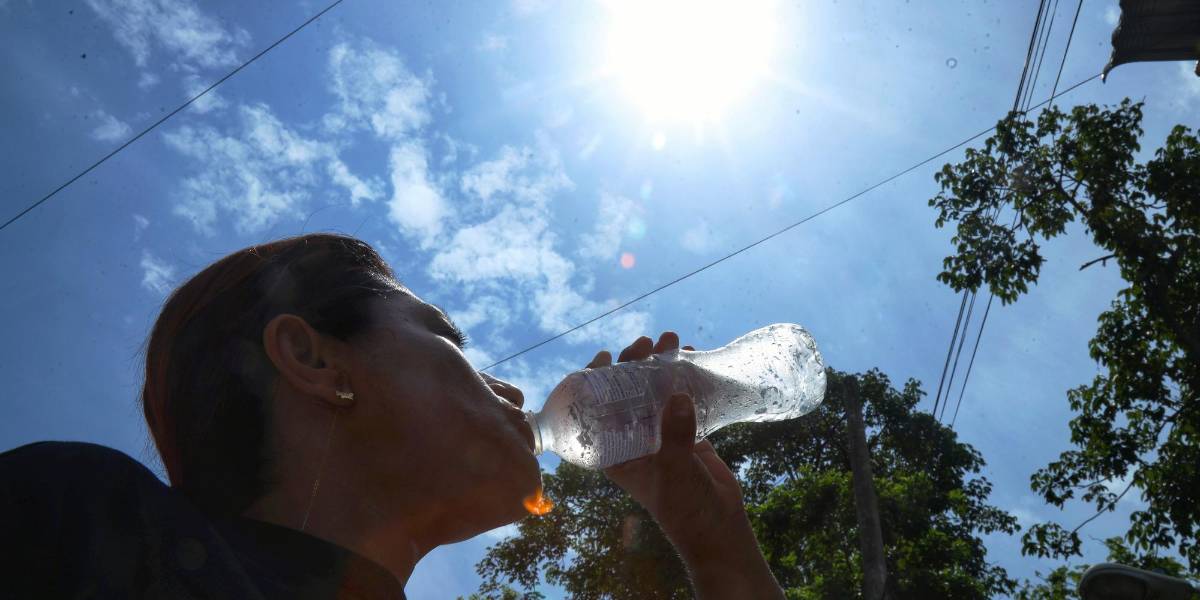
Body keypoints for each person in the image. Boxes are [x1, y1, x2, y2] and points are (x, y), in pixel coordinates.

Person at [0, 233, 783, 599]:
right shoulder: (86, 524)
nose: (508, 391)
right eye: (448, 337)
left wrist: (717, 549)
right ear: (314, 362)